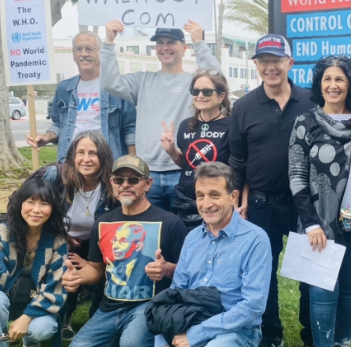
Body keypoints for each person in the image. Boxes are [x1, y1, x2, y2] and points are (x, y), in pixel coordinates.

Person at [228, 34, 316, 347]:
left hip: (303, 205)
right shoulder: (243, 107)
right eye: (264, 61)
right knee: (262, 275)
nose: (271, 67)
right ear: (256, 65)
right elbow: (237, 160)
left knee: (309, 274)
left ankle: (311, 335)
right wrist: (236, 200)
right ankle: (270, 334)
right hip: (260, 205)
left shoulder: (310, 101)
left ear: (290, 63)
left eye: (277, 60)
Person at [288, 56, 351, 347]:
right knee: (322, 292)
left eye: (339, 78)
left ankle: (342, 342)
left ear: (350, 83)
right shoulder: (306, 122)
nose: (333, 84)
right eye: (327, 79)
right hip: (319, 225)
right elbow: (297, 175)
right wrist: (311, 223)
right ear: (319, 84)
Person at [62, 155, 188, 347]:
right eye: (119, 180)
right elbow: (97, 270)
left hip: (149, 306)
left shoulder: (171, 223)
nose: (125, 184)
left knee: (131, 343)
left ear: (148, 184)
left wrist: (167, 268)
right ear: (112, 183)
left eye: (134, 179)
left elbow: (189, 273)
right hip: (108, 308)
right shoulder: (102, 223)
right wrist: (78, 277)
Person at [101, 20, 220, 213]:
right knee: (151, 234)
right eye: (160, 42)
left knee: (182, 233)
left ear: (184, 48)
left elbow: (217, 78)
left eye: (171, 42)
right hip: (146, 174)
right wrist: (108, 42)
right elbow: (109, 82)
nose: (165, 47)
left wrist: (199, 43)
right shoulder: (142, 80)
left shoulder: (194, 82)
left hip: (183, 171)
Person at [153, 162, 272, 347]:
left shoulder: (255, 240)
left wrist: (197, 334)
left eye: (214, 195)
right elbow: (177, 291)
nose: (206, 204)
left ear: (233, 197)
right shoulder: (192, 238)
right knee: (159, 339)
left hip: (236, 329)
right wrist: (179, 327)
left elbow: (253, 305)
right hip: (190, 319)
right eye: (200, 196)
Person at [30, 131, 118, 340]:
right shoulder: (54, 177)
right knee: (67, 262)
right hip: (58, 238)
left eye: (93, 153)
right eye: (80, 152)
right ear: (72, 156)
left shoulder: (112, 185)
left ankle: (95, 308)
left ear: (103, 158)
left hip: (96, 245)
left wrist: (92, 257)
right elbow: (23, 202)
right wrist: (61, 242)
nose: (86, 159)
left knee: (83, 268)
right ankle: (60, 313)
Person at [0, 178, 69, 347]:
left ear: (53, 209)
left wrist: (25, 319)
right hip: (6, 298)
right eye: (30, 202)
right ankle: (1, 343)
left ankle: (30, 341)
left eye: (44, 203)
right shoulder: (1, 233)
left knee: (43, 328)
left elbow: (54, 291)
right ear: (20, 204)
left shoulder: (57, 242)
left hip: (37, 305)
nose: (36, 210)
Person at [27, 30, 136, 162]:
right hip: (71, 162)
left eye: (89, 49)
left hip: (107, 163)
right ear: (73, 54)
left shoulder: (118, 88)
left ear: (100, 52)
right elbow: (59, 124)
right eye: (79, 49)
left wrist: (132, 164)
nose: (84, 54)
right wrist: (46, 137)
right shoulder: (64, 88)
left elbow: (130, 129)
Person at [161, 69, 233, 230]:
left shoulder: (231, 126)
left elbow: (237, 166)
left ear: (221, 96)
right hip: (186, 199)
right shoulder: (185, 125)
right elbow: (187, 164)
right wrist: (172, 151)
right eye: (195, 91)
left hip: (216, 198)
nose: (200, 95)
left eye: (207, 91)